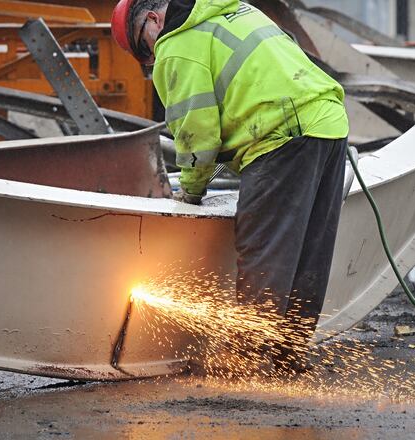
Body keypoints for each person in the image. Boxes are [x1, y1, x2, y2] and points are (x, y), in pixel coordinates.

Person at [112, 0, 349, 373]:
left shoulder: (175, 43)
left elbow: (196, 132)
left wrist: (189, 192)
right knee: (308, 255)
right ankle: (290, 359)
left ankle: (247, 367)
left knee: (263, 255)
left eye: (145, 48)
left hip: (279, 134)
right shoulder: (231, 8)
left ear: (154, 20)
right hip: (329, 124)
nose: (151, 59)